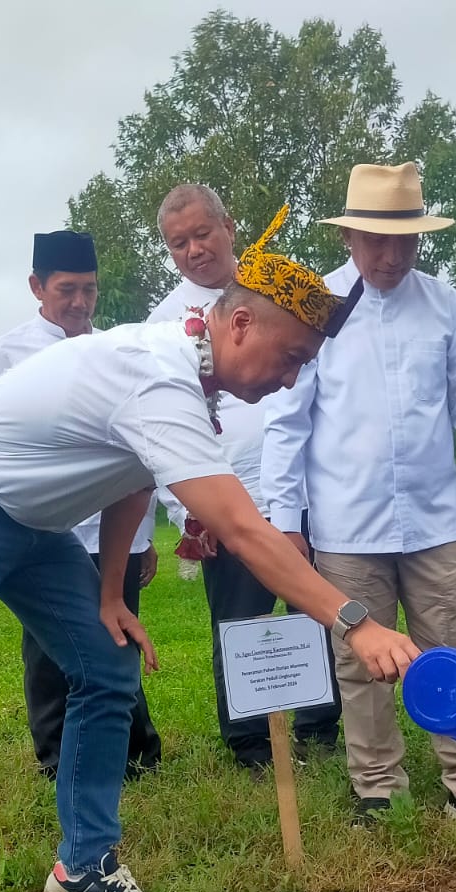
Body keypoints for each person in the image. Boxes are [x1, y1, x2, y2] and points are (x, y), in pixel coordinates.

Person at [0, 206, 416, 892]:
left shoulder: (188, 373)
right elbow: (244, 530)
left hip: (32, 526)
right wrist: (354, 621)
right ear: (241, 325)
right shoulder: (159, 377)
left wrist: (108, 590)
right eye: (290, 359)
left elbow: (133, 475)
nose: (289, 381)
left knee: (107, 667)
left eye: (303, 368)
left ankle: (83, 870)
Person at [263, 163, 456, 823]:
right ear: (349, 236)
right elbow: (286, 422)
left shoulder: (446, 305)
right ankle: (378, 789)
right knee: (362, 663)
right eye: (375, 239)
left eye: (404, 240)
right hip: (346, 523)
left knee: (451, 651)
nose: (390, 254)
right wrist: (286, 521)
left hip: (434, 521)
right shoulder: (315, 303)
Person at [148, 183, 341, 770]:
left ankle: (319, 722)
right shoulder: (165, 321)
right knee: (241, 619)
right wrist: (187, 511)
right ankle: (250, 739)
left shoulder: (280, 291)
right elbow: (153, 431)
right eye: (177, 243)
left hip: (301, 488)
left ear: (228, 227)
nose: (194, 250)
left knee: (315, 602)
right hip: (225, 497)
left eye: (202, 234)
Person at [0, 230, 162, 779]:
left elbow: (136, 452)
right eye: (66, 290)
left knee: (121, 638)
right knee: (49, 650)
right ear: (37, 286)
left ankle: (137, 750)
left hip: (112, 533)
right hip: (43, 531)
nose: (79, 303)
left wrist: (144, 538)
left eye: (89, 290)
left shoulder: (117, 351)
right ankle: (58, 758)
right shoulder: (5, 354)